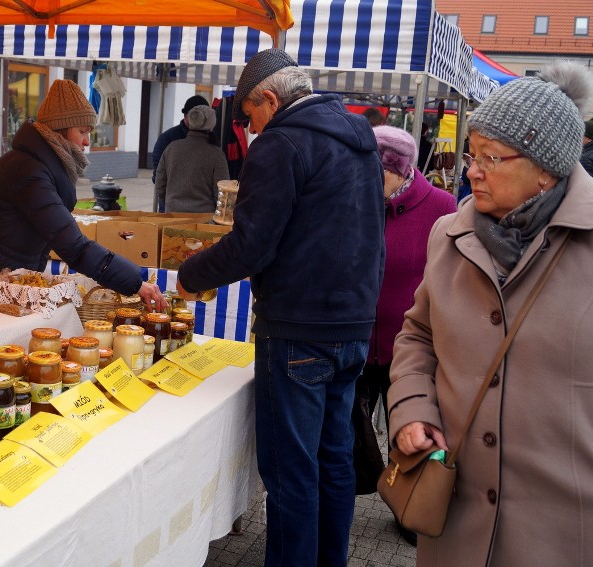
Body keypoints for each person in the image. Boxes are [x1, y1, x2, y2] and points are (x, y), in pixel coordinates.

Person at [387, 60, 593, 566]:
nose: (471, 171)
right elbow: (417, 336)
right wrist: (412, 409)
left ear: (545, 170)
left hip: (582, 527)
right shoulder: (450, 234)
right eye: (470, 154)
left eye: (491, 158)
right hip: (457, 524)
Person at [175, 48, 385, 566]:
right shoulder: (360, 141)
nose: (249, 127)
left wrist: (190, 277)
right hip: (353, 324)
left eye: (250, 114)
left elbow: (252, 245)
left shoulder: (282, 143)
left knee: (293, 472)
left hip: (298, 327)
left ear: (270, 98)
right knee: (332, 461)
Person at [0, 79, 166, 315]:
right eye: (82, 132)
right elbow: (73, 246)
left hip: (8, 286)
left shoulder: (40, 166)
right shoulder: (28, 171)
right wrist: (134, 282)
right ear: (61, 129)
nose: (87, 141)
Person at [350, 125, 456, 546]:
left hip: (406, 347)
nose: (368, 182)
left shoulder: (442, 207)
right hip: (358, 340)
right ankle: (360, 489)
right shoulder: (356, 203)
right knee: (352, 433)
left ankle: (413, 510)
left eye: (378, 174)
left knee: (410, 435)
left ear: (401, 169)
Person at [154, 105, 229, 213]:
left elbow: (160, 184)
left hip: (172, 216)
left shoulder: (171, 148)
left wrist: (171, 203)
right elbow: (222, 194)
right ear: (212, 126)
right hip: (203, 220)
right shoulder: (216, 154)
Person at [151, 94, 210, 186]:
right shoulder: (167, 138)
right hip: (173, 197)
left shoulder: (211, 138)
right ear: (185, 117)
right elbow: (158, 175)